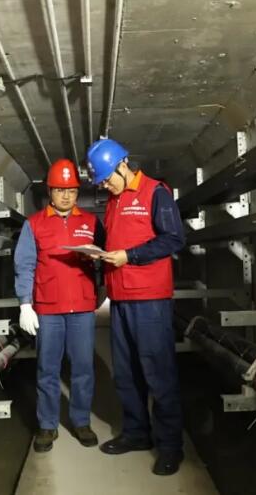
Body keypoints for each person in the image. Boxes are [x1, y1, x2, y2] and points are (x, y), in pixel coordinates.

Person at [86, 139, 186, 476]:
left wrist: (129, 256)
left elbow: (174, 238)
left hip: (150, 300)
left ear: (122, 164)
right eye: (100, 182)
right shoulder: (114, 201)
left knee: (158, 373)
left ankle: (170, 446)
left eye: (106, 179)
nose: (104, 185)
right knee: (126, 373)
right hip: (121, 299)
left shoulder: (155, 192)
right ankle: (137, 433)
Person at [14, 158, 106, 453]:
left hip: (81, 307)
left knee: (83, 368)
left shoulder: (91, 222)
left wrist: (99, 275)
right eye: (60, 190)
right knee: (48, 368)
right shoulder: (34, 224)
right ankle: (47, 425)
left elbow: (106, 259)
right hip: (48, 308)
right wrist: (25, 304)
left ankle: (81, 421)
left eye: (72, 190)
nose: (66, 196)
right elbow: (25, 265)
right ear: (50, 191)